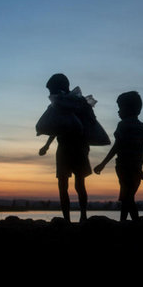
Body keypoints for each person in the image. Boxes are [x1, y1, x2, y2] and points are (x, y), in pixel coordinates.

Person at [94, 91, 143, 222]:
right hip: (136, 168)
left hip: (124, 167)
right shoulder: (142, 127)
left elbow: (117, 146)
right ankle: (128, 221)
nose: (118, 112)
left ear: (128, 109)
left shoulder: (123, 125)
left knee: (126, 196)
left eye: (120, 108)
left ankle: (128, 222)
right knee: (128, 196)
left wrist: (103, 164)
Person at [38, 73, 91, 223]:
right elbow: (59, 125)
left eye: (51, 91)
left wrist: (47, 146)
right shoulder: (75, 102)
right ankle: (82, 217)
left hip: (70, 148)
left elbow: (58, 125)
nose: (50, 94)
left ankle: (71, 219)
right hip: (77, 147)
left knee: (65, 185)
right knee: (78, 183)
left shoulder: (66, 103)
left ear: (59, 88)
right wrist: (47, 146)